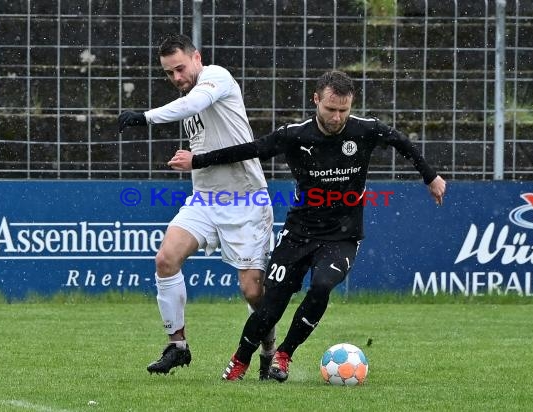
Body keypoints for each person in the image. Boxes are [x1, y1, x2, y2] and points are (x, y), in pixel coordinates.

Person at [168, 70, 447, 382]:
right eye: (331, 109)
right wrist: (198, 160)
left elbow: (401, 141)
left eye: (344, 110)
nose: (337, 117)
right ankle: (240, 361)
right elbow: (250, 150)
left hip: (342, 235)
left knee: (322, 285)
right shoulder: (295, 135)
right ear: (316, 100)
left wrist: (430, 176)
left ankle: (284, 354)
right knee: (270, 302)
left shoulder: (365, 130)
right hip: (299, 233)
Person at [118, 33, 276, 378]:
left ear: (197, 59)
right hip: (204, 200)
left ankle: (269, 351)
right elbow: (190, 115)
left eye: (180, 68)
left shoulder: (216, 77)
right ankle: (178, 346)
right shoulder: (188, 96)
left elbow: (190, 107)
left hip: (246, 200)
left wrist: (144, 117)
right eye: (169, 73)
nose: (176, 78)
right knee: (165, 259)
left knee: (252, 290)